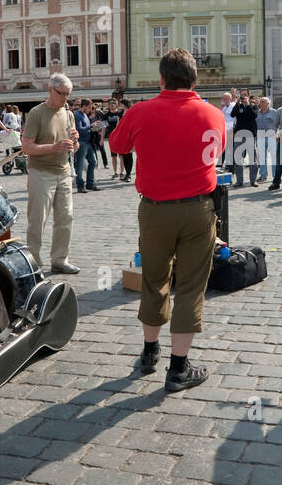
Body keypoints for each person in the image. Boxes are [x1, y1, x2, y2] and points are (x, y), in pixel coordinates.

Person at [108, 48, 225, 392]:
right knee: (190, 286)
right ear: (194, 79)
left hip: (155, 209)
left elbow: (117, 147)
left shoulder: (141, 112)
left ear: (162, 79)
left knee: (154, 280)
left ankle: (149, 352)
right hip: (198, 209)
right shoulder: (214, 114)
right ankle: (178, 368)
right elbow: (216, 154)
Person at [20, 74, 81, 275]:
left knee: (66, 219)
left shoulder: (68, 113)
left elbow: (73, 148)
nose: (65, 98)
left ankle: (60, 260)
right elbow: (27, 147)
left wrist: (75, 141)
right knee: (38, 220)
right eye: (61, 93)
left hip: (63, 172)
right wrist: (55, 146)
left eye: (68, 94)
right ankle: (34, 264)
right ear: (50, 89)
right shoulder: (36, 113)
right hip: (40, 171)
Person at [230, 90, 259, 186]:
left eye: (245, 95)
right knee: (238, 158)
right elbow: (232, 115)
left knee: (252, 159)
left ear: (249, 96)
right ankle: (239, 180)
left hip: (250, 134)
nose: (243, 97)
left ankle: (253, 180)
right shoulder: (238, 106)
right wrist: (237, 103)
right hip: (239, 134)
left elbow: (254, 115)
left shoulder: (253, 105)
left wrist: (248, 105)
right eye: (241, 95)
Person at [71, 98, 100, 193]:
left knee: (93, 162)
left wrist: (94, 128)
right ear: (83, 106)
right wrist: (91, 126)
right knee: (79, 165)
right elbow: (79, 129)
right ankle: (80, 185)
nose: (90, 109)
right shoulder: (77, 115)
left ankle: (90, 183)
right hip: (81, 142)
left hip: (88, 142)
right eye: (89, 107)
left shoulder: (85, 115)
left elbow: (87, 128)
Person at [254, 96, 278, 184]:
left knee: (274, 157)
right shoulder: (257, 113)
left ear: (268, 104)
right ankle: (263, 175)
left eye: (263, 102)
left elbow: (278, 123)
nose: (261, 103)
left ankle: (275, 176)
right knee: (262, 157)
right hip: (260, 136)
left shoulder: (274, 112)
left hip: (271, 136)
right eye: (260, 102)